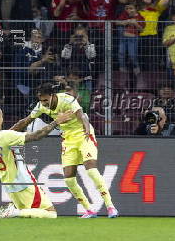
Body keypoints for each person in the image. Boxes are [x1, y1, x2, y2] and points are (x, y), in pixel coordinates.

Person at [10, 82, 119, 218]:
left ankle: (110, 207)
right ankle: (89, 210)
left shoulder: (66, 99)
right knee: (69, 180)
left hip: (83, 134)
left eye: (45, 100)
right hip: (68, 139)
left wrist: (85, 126)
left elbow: (81, 114)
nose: (43, 103)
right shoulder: (40, 107)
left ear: (52, 95)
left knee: (91, 170)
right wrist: (6, 134)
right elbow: (25, 122)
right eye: (41, 100)